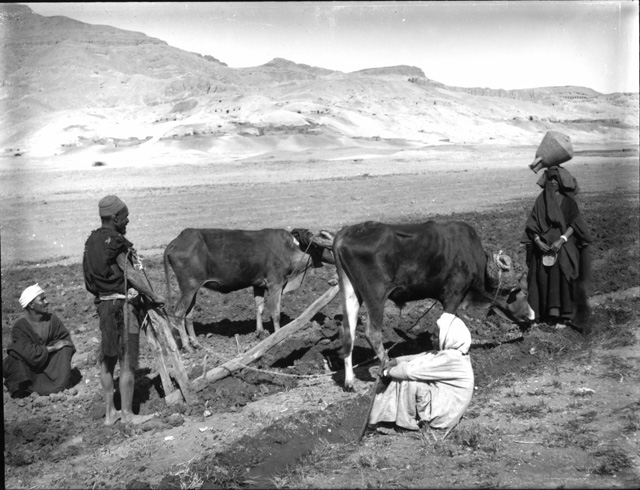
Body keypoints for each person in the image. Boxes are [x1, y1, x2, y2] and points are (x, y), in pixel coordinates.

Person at [83, 195, 164, 426]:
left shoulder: (92, 241)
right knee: (127, 362)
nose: (128, 221)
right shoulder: (115, 241)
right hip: (122, 308)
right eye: (125, 217)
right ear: (116, 217)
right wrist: (153, 295)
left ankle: (110, 414)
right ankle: (128, 415)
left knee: (107, 360)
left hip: (105, 306)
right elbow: (130, 273)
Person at [368, 312, 474, 433]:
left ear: (446, 338)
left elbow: (409, 371)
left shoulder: (451, 359)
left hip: (443, 416)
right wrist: (395, 361)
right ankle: (385, 418)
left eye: (435, 336)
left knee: (409, 379)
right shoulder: (452, 353)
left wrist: (388, 372)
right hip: (445, 408)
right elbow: (422, 356)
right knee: (403, 371)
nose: (431, 338)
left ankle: (404, 425)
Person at [521, 166, 592, 329]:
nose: (553, 182)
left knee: (562, 271)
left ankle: (561, 316)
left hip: (562, 244)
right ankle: (541, 315)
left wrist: (562, 239)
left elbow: (574, 223)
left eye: (556, 179)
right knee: (539, 275)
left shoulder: (568, 202)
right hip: (543, 247)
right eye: (550, 179)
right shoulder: (541, 200)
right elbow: (532, 225)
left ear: (561, 182)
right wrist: (538, 241)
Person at [3, 284, 76, 398]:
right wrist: (53, 347)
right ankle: (25, 388)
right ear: (31, 305)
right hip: (30, 367)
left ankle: (57, 384)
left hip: (50, 364)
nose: (47, 302)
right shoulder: (20, 326)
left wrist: (59, 347)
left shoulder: (53, 320)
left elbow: (66, 340)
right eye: (42, 299)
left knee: (65, 348)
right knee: (15, 355)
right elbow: (29, 352)